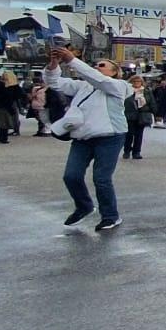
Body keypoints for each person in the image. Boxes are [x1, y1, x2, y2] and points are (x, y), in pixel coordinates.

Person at [46, 47, 130, 231]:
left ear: (114, 72)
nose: (97, 67)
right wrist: (54, 65)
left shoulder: (119, 86)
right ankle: (84, 206)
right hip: (82, 138)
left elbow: (99, 79)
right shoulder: (83, 86)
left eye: (102, 65)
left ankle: (110, 216)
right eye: (95, 65)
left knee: (101, 178)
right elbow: (54, 82)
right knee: (71, 175)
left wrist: (72, 60)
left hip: (110, 137)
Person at [123, 74, 154, 159]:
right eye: (135, 81)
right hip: (130, 114)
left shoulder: (147, 91)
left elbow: (152, 102)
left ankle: (136, 152)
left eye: (139, 81)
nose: (137, 83)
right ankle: (127, 150)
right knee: (129, 134)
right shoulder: (127, 91)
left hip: (142, 115)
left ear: (142, 82)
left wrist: (156, 114)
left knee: (139, 135)